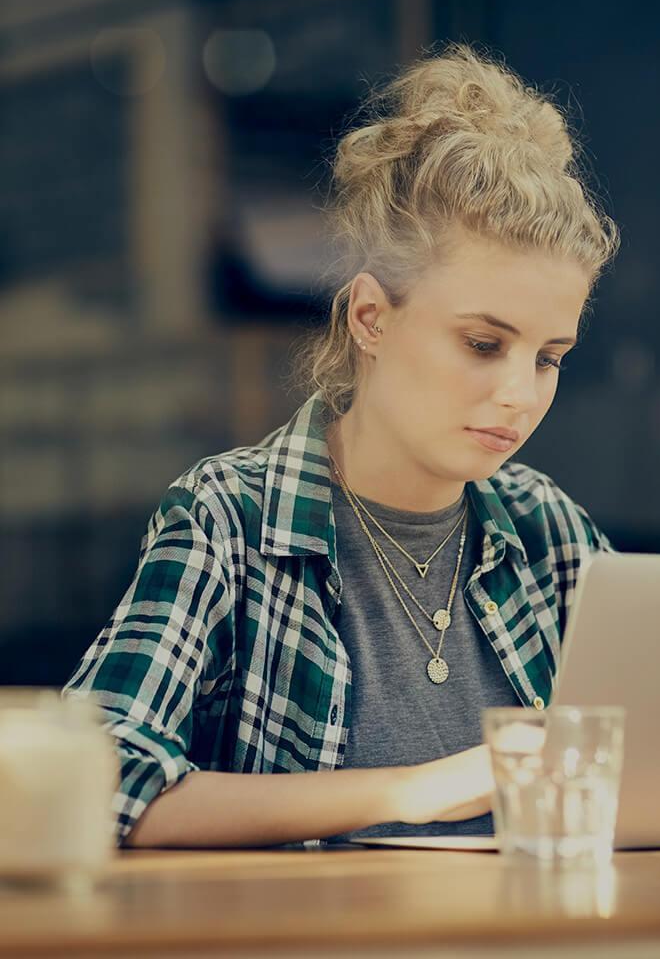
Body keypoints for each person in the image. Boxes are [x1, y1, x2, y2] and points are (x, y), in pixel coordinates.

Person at [64, 43, 620, 849]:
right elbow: (92, 782)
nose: (520, 394)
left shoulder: (550, 532)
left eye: (548, 358)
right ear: (371, 318)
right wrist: (412, 790)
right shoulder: (232, 517)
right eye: (481, 344)